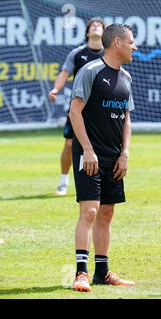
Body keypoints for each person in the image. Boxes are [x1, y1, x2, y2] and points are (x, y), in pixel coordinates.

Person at [69, 23, 137, 292]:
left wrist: (125, 153)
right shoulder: (90, 71)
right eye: (131, 41)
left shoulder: (127, 78)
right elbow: (75, 112)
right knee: (90, 211)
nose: (135, 46)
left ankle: (102, 272)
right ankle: (81, 273)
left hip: (113, 157)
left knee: (107, 213)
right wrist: (87, 149)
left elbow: (127, 119)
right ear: (117, 43)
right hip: (89, 154)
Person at [49, 17, 105, 196]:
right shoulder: (77, 53)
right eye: (93, 26)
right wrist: (56, 89)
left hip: (101, 109)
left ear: (105, 33)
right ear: (87, 32)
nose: (96, 27)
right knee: (69, 144)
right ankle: (63, 182)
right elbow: (64, 73)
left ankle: (100, 183)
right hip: (79, 108)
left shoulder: (108, 54)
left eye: (100, 26)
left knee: (103, 146)